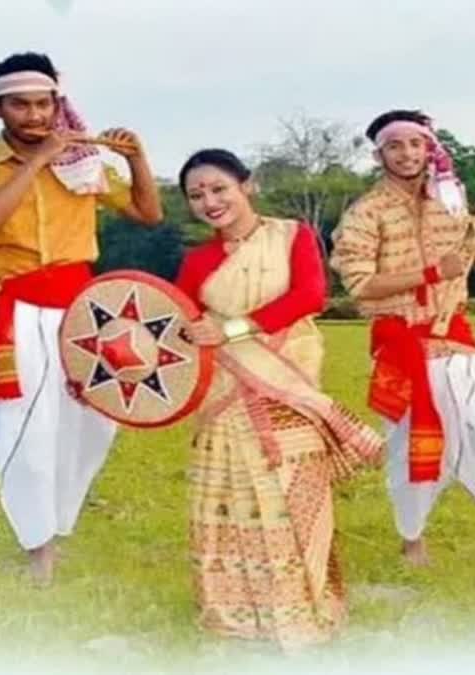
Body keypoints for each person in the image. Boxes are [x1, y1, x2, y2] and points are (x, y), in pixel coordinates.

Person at [0, 51, 162, 584]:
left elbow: (148, 213)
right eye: (20, 105)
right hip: (15, 306)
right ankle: (36, 545)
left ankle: (57, 524)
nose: (35, 115)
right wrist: (40, 159)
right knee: (24, 424)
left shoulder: (83, 160)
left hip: (82, 306)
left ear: (57, 102)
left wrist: (136, 159)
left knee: (95, 420)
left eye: (44, 103)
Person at [174, 149, 382, 648]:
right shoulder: (197, 260)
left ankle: (306, 605)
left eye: (219, 188)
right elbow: (177, 321)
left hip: (287, 383)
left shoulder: (292, 235)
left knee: (292, 495)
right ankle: (239, 611)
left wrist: (231, 328)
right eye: (197, 195)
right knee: (234, 497)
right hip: (225, 396)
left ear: (248, 186)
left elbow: (309, 296)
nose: (210, 201)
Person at [330, 109, 475, 566]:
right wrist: (431, 272)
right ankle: (412, 537)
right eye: (396, 145)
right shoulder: (365, 214)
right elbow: (360, 284)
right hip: (401, 341)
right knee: (411, 443)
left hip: (455, 335)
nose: (407, 154)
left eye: (416, 144)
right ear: (379, 153)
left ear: (428, 149)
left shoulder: (450, 206)